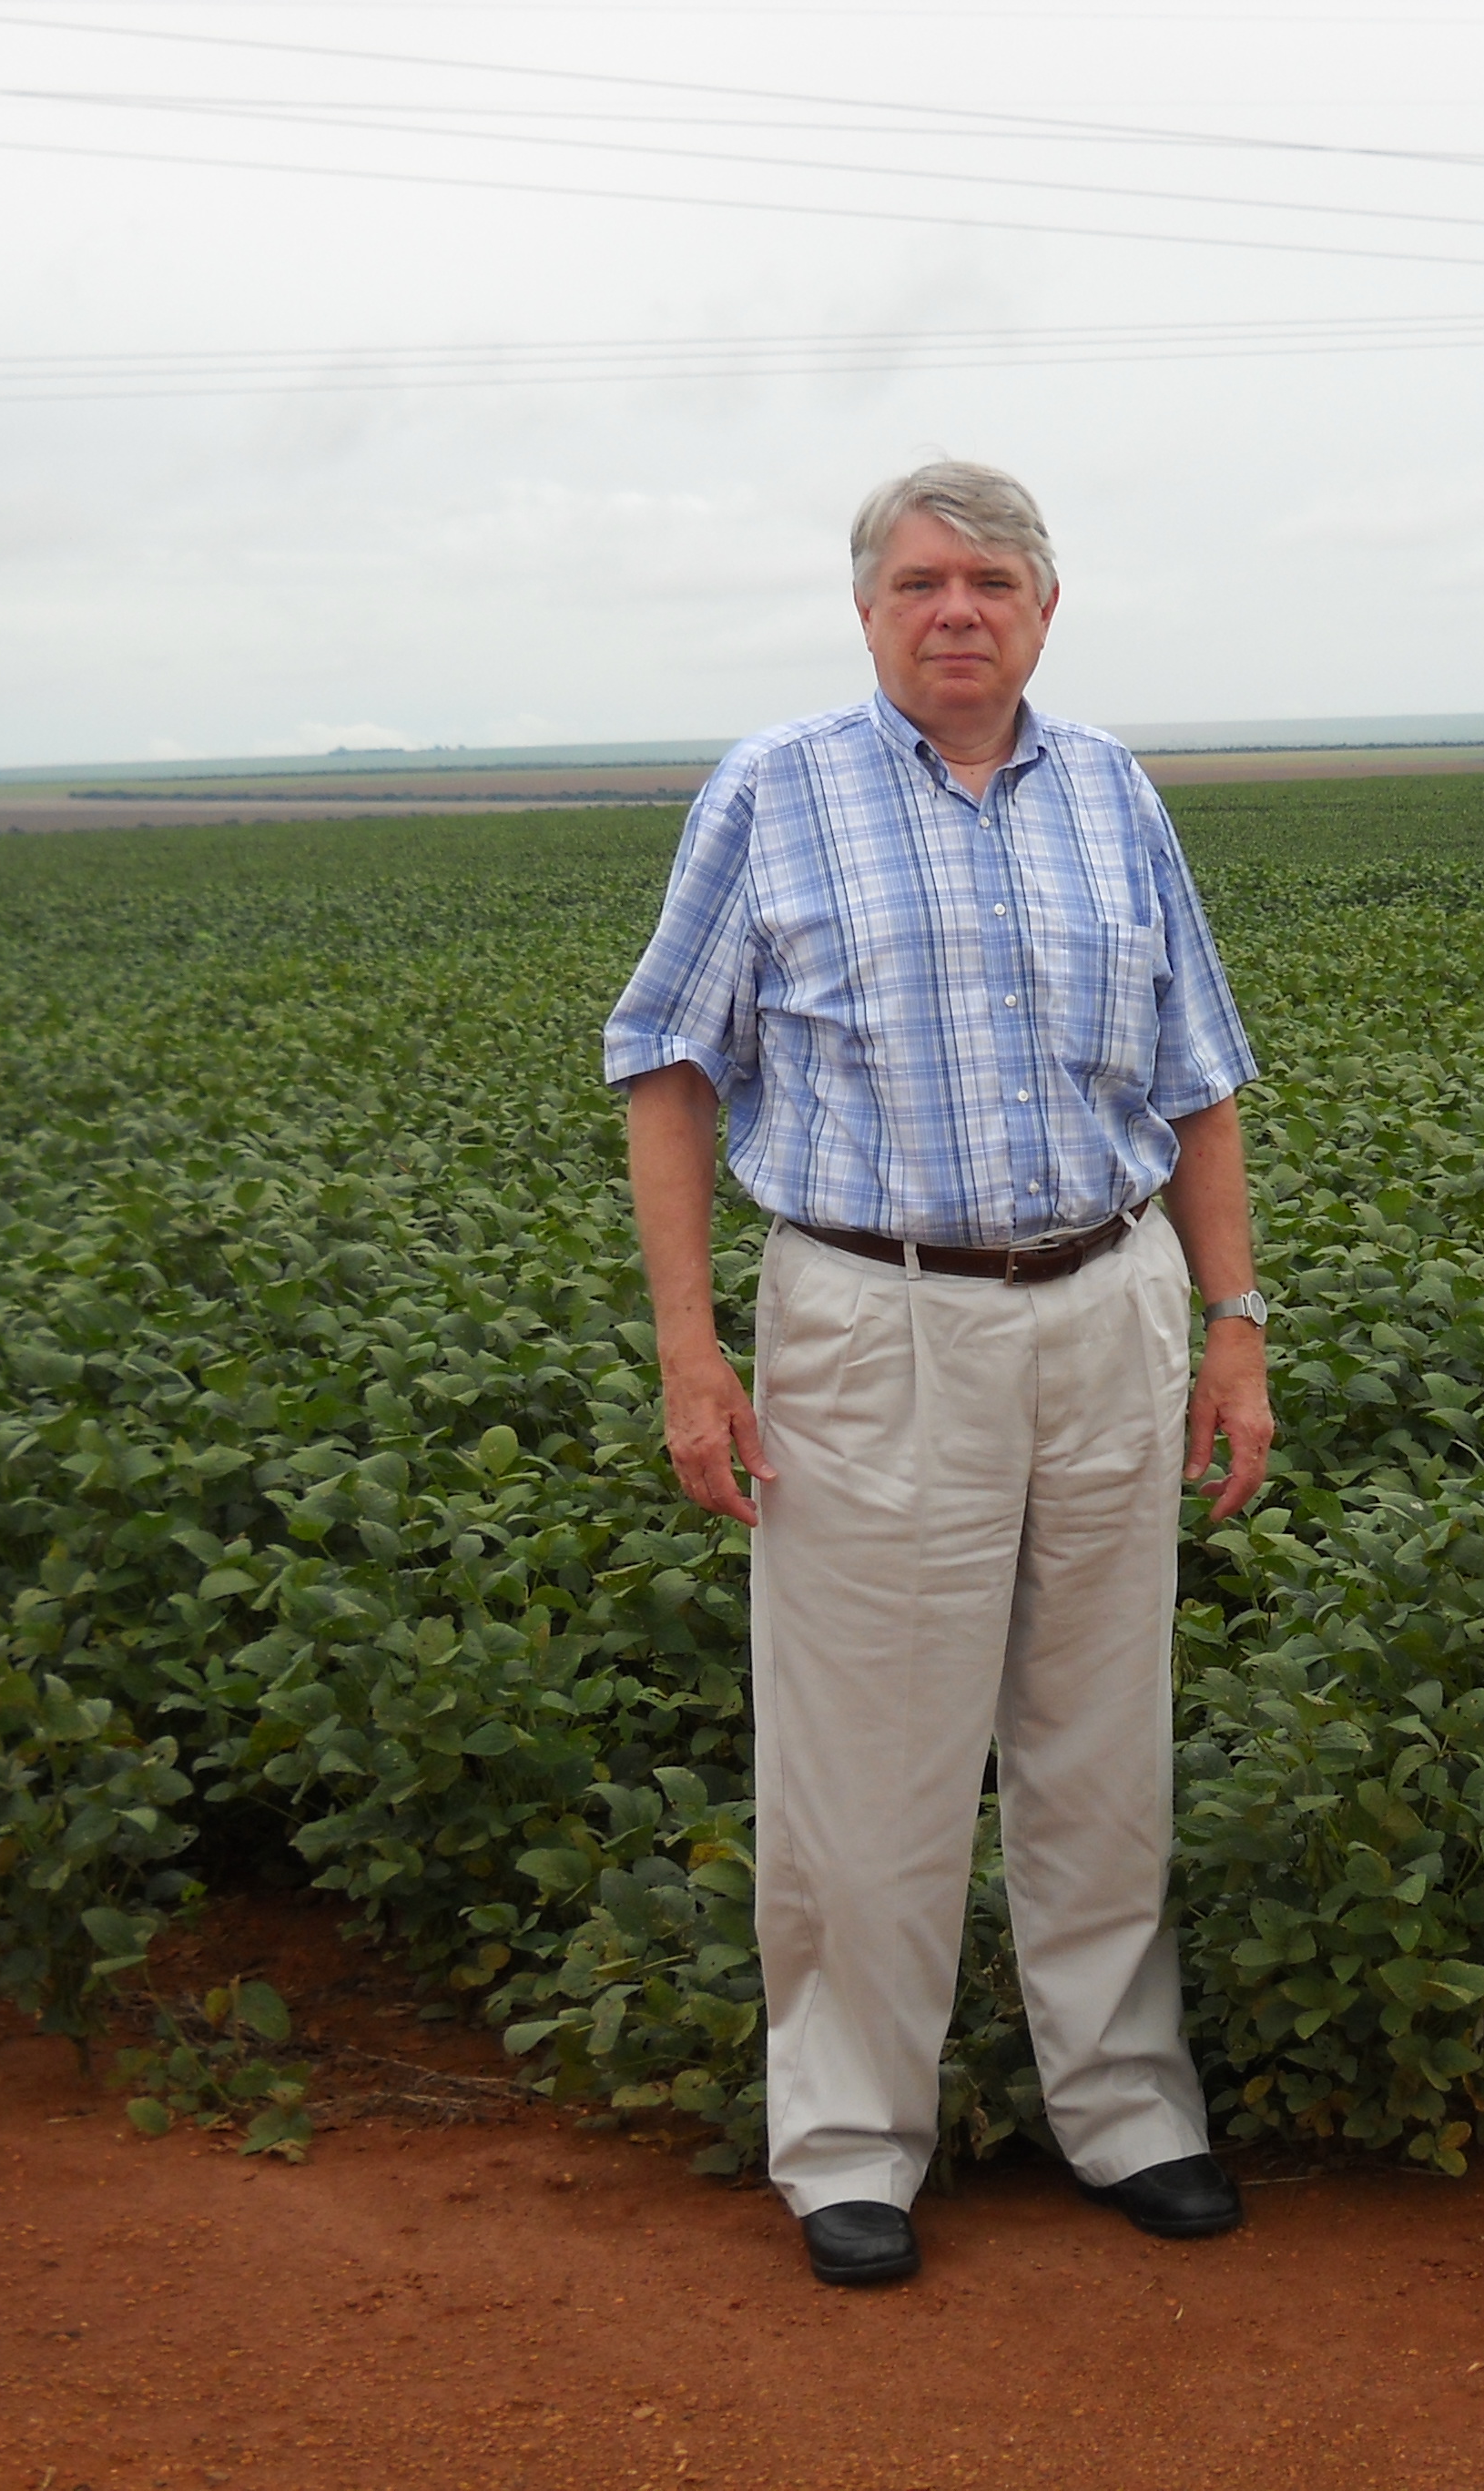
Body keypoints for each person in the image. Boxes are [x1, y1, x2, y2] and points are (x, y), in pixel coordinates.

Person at [601, 460, 1274, 2288]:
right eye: (919, 583)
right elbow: (666, 1062)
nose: (955, 609)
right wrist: (691, 1347)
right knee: (863, 1762)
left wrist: (1234, 1328)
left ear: (1047, 608)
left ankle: (1128, 2111)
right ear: (867, 611)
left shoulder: (1114, 794)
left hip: (1110, 1304)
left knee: (1097, 1737)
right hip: (875, 1320)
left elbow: (1198, 1076)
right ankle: (847, 2147)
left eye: (990, 579)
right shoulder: (778, 790)